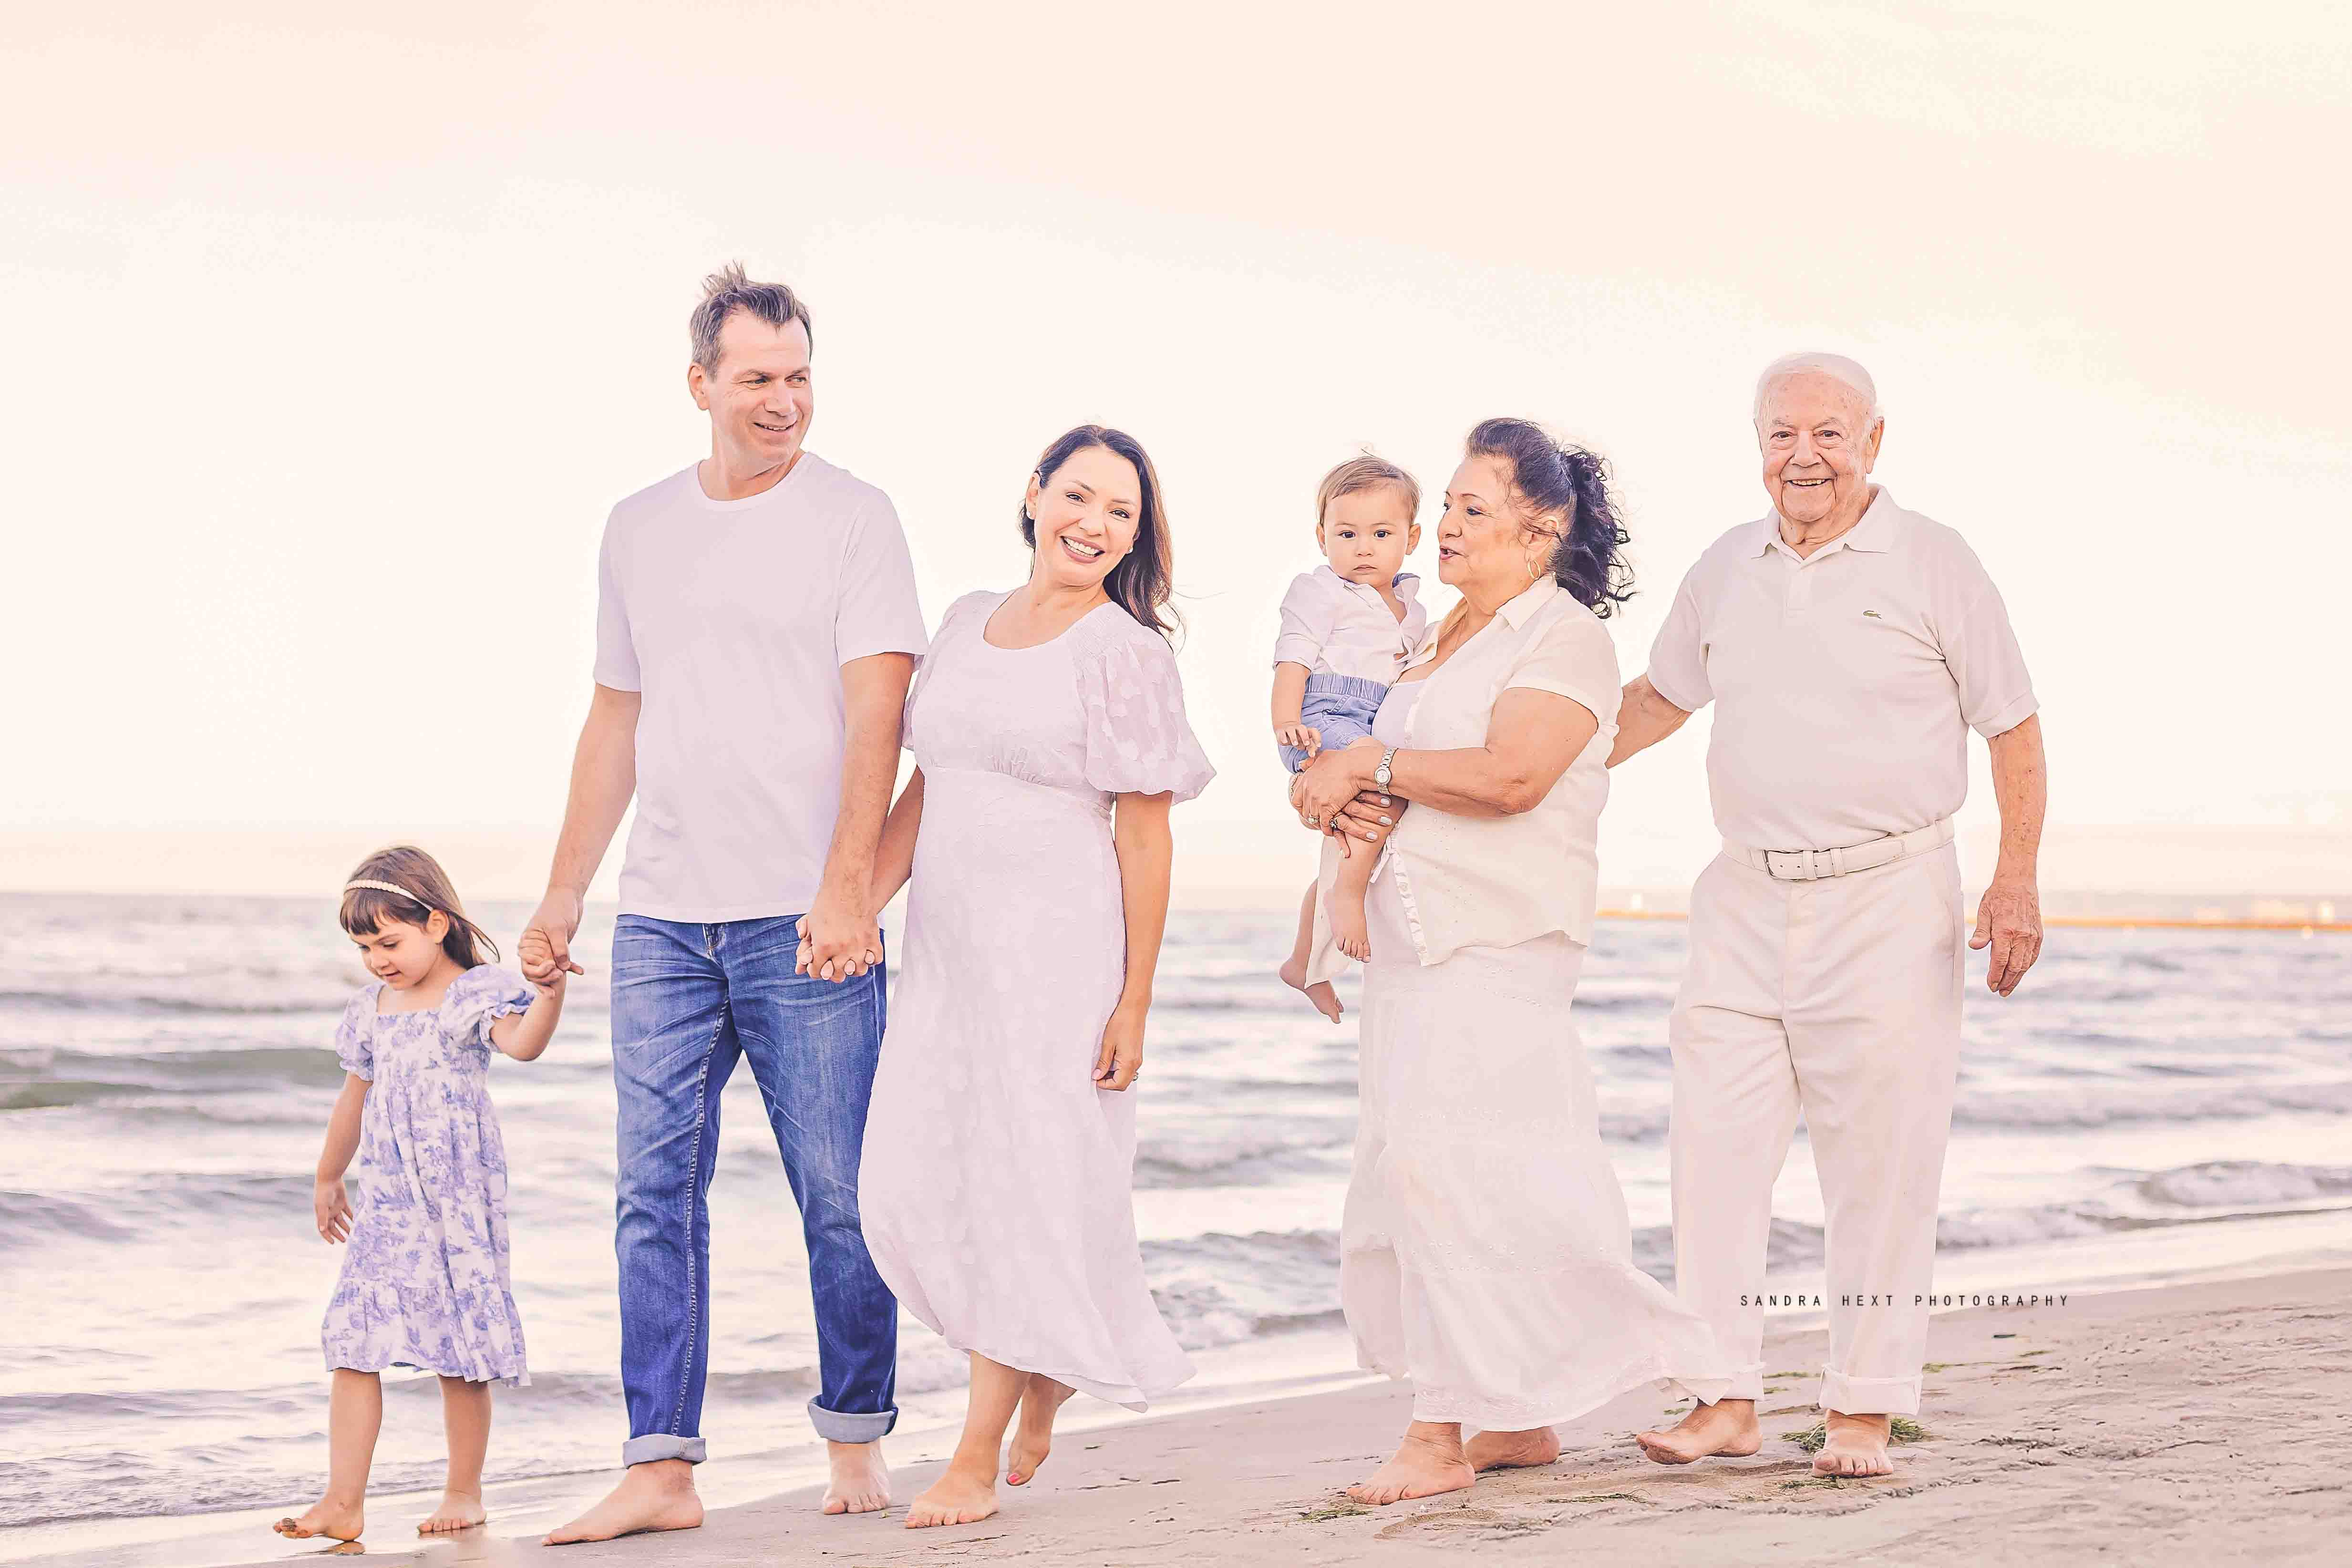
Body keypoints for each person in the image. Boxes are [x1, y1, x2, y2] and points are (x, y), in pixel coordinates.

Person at [521, 265, 928, 1543]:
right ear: (699, 385)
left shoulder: (854, 517)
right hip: (660, 919)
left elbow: (880, 712)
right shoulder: (637, 526)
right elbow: (616, 715)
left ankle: (856, 1439)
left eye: (799, 375)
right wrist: (564, 893)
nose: (783, 401)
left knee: (838, 1190)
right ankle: (660, 1467)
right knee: (653, 1192)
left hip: (805, 919)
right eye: (757, 378)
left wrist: (847, 889)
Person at [1618, 352, 2046, 1479]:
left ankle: (1861, 1403)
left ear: (1872, 440)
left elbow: (2010, 720)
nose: (1801, 454)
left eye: (1825, 432)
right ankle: (1720, 1392)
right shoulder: (1725, 563)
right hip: (1742, 894)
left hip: (1890, 893)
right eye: (1778, 433)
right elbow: (1658, 697)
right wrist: (1521, 761)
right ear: (1754, 441)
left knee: (1881, 1159)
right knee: (1710, 1148)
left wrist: (2014, 879)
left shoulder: (1932, 560)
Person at [1291, 420, 1728, 1507]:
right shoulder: (1435, 638)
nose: (1441, 525)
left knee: (1448, 1172)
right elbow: (1388, 788)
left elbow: (1511, 774)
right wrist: (1321, 908)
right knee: (1444, 1173)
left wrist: (1367, 755)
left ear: (1542, 531)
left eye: (1471, 509)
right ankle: (1516, 1415)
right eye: (1445, 503)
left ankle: (1443, 1431)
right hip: (1413, 944)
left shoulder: (1565, 638)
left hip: (1494, 942)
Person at [857, 425, 1212, 1530]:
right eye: (1077, 496)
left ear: (1136, 534)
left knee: (1016, 1183)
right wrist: (852, 904)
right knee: (914, 1175)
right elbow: (929, 783)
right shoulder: (964, 622)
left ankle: (971, 1453)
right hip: (947, 958)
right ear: (1033, 494)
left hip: (1058, 960)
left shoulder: (1125, 651)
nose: (1092, 524)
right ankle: (1043, 1361)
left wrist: (1133, 1000)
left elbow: (1145, 841)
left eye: (1119, 511)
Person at [274, 846, 563, 1546]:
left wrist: (549, 993)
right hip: (389, 1201)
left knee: (459, 1346)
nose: (378, 959)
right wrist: (327, 1174)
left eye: (390, 942)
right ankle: (343, 1501)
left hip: (457, 1194)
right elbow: (355, 1097)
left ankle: (465, 1491)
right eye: (364, 946)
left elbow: (523, 1045)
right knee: (352, 1337)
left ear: (437, 923)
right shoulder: (371, 1008)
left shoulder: (474, 992)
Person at [1271, 454, 1429, 1022]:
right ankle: (1347, 898)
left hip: (1373, 719)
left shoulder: (1415, 610)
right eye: (1347, 533)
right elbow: (1292, 657)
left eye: (1381, 534)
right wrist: (1285, 720)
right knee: (1381, 790)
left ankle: (1303, 964)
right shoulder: (1321, 591)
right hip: (1323, 712)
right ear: (1322, 537)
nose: (1363, 547)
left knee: (1363, 822)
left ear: (1411, 539)